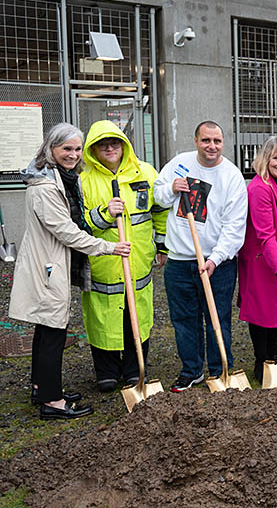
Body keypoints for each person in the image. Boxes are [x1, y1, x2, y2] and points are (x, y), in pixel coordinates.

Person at [9, 123, 130, 419]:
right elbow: (66, 231)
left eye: (77, 149)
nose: (73, 154)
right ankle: (52, 402)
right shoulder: (46, 186)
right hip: (48, 266)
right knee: (53, 331)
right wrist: (108, 247)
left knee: (46, 327)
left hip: (53, 262)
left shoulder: (61, 179)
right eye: (66, 149)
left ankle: (42, 388)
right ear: (51, 148)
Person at [153, 121, 247, 392]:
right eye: (206, 140)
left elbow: (234, 227)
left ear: (223, 143)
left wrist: (215, 258)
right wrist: (171, 188)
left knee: (218, 316)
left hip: (218, 263)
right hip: (180, 260)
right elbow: (157, 197)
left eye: (217, 141)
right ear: (195, 141)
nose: (212, 146)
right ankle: (191, 370)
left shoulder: (231, 176)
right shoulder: (179, 164)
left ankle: (219, 370)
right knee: (183, 318)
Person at [80, 120, 168, 392]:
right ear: (92, 149)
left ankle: (134, 369)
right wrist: (105, 214)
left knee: (137, 315)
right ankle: (106, 370)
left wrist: (162, 246)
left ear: (124, 145)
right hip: (102, 263)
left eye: (114, 142)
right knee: (102, 319)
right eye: (102, 144)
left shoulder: (145, 173)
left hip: (138, 261)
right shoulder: (83, 181)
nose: (109, 148)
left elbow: (160, 210)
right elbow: (78, 224)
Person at [237, 136, 277, 384]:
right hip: (262, 259)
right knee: (262, 312)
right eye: (276, 157)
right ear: (265, 159)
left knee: (276, 310)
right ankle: (262, 360)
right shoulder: (259, 188)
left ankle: (273, 355)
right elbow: (265, 234)